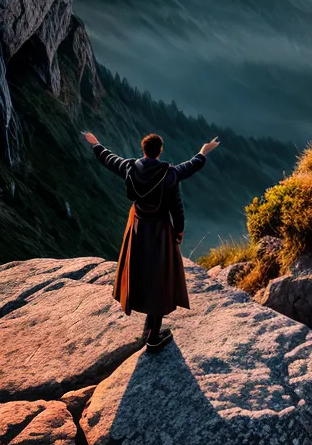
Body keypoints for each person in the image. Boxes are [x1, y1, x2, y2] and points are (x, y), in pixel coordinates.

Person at [83, 130, 220, 351]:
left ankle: (148, 327)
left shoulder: (130, 168)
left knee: (140, 273)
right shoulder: (169, 174)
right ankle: (153, 337)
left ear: (143, 149)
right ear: (160, 151)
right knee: (160, 278)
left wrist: (96, 144)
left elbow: (109, 159)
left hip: (137, 228)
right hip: (160, 230)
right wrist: (203, 151)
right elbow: (186, 181)